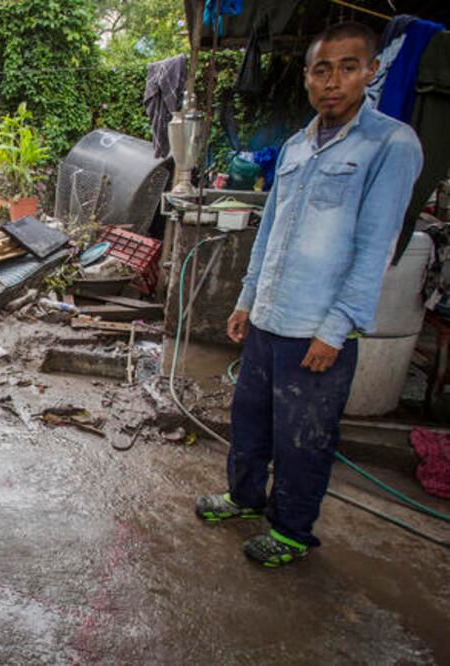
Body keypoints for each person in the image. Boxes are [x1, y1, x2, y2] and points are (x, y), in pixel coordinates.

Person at [195, 22, 424, 567]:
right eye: (322, 70)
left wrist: (336, 327)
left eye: (348, 67)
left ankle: (293, 531)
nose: (333, 81)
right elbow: (270, 232)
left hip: (317, 328)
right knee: (250, 420)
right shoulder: (298, 146)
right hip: (271, 317)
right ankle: (244, 498)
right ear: (306, 77)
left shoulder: (390, 145)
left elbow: (376, 248)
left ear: (370, 72)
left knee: (304, 438)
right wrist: (247, 299)